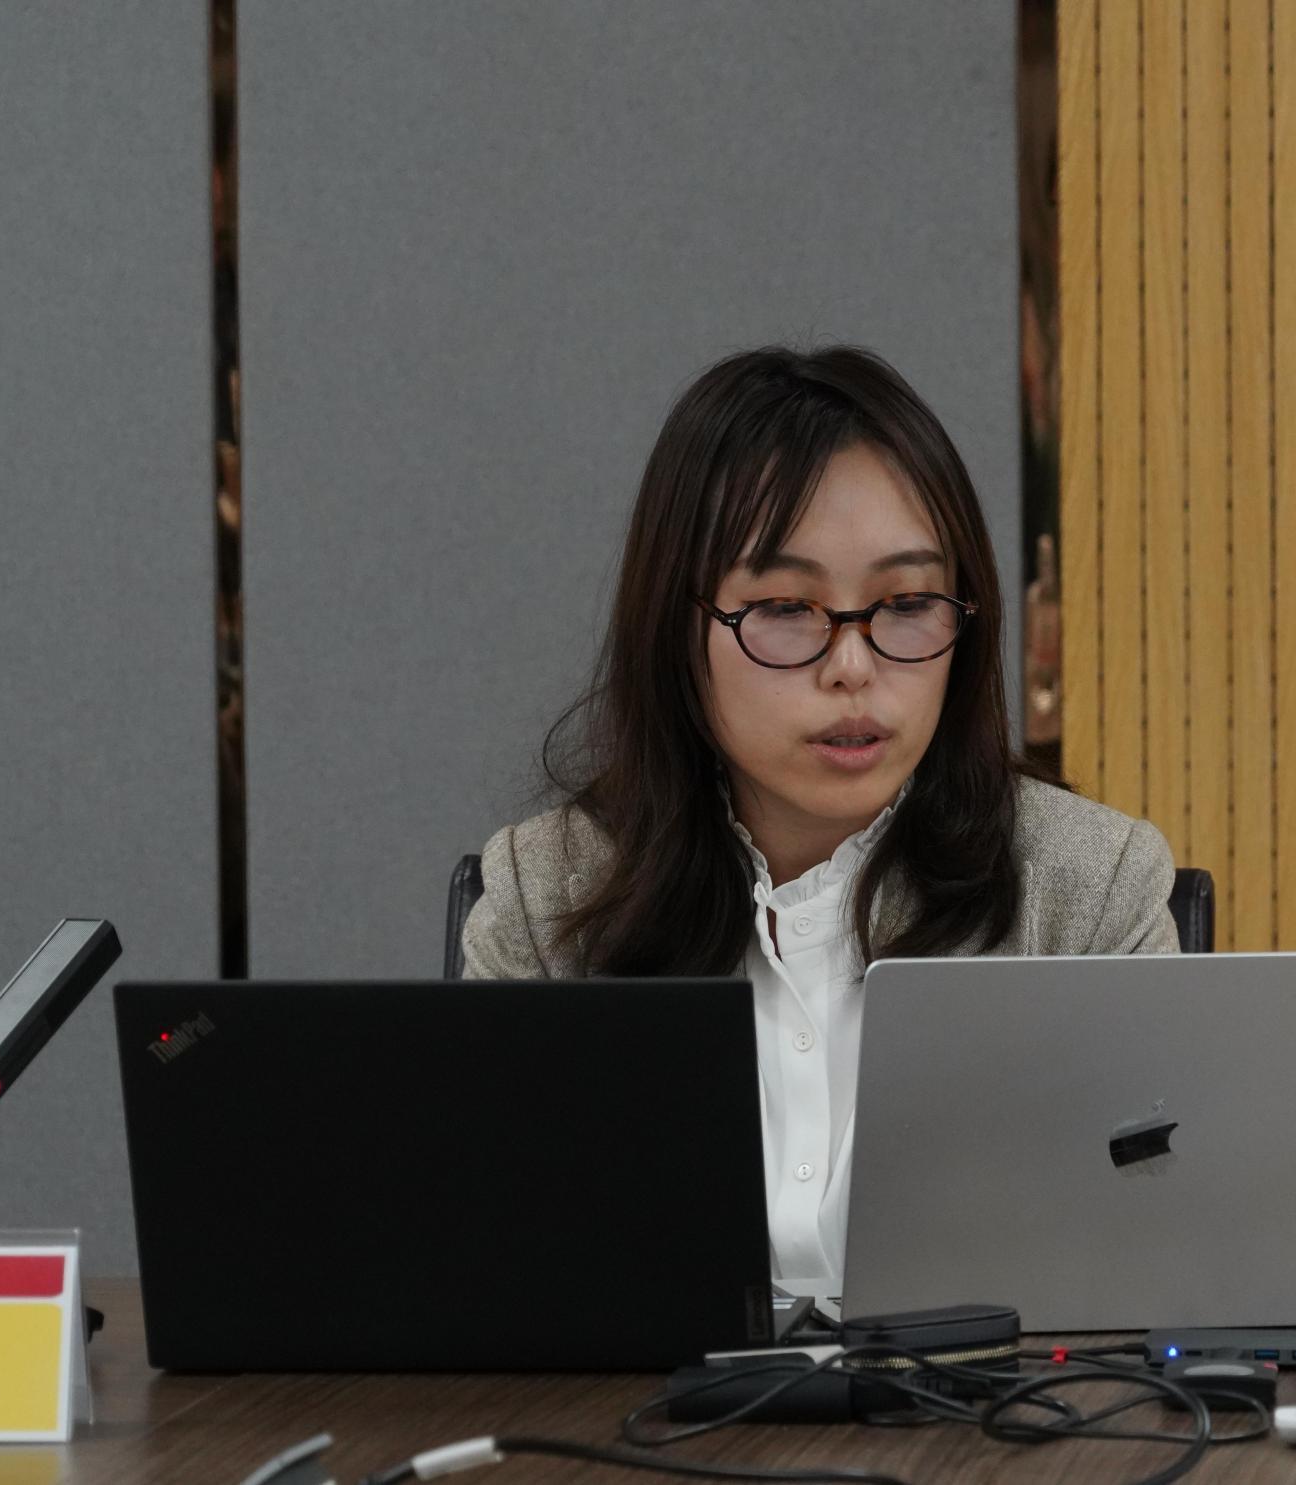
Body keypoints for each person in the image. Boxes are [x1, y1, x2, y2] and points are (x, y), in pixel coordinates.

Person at [459, 344, 1177, 1295]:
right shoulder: (546, 895)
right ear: (678, 629)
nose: (852, 666)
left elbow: (1152, 1272)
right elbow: (488, 1278)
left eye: (908, 602)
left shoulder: (1090, 887)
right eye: (787, 607)